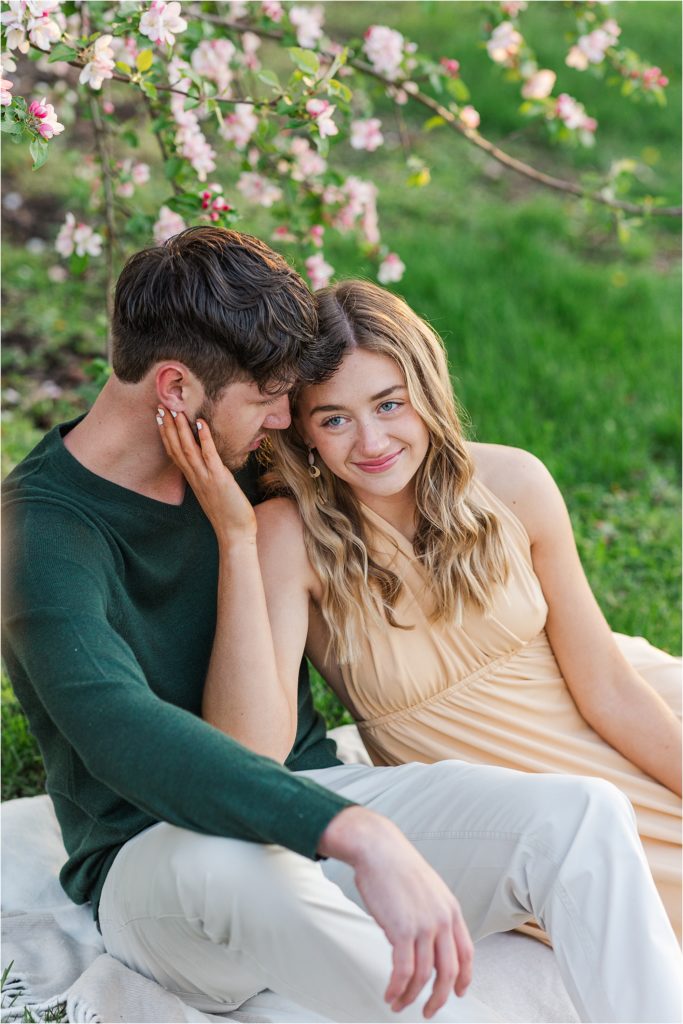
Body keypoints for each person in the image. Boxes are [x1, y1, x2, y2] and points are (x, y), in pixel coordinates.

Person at [3, 232, 681, 1024]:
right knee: (240, 870)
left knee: (580, 815)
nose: (287, 420)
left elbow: (392, 463)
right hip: (158, 859)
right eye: (268, 398)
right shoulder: (41, 538)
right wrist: (349, 831)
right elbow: (124, 731)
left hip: (310, 799)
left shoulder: (251, 458)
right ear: (176, 387)